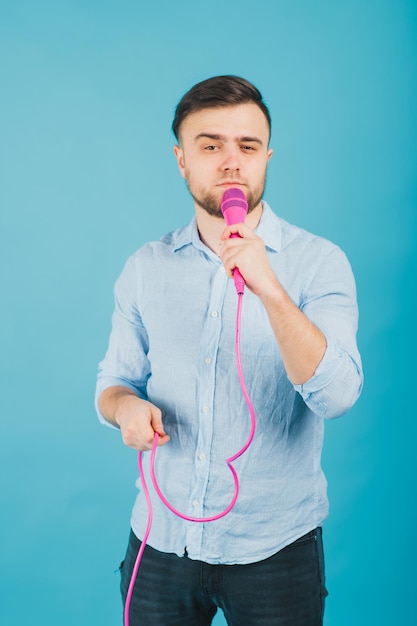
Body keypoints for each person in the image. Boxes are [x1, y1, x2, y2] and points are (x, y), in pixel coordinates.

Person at [95, 75, 363, 626]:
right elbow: (113, 382)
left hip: (275, 549)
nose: (230, 162)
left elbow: (336, 396)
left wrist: (269, 286)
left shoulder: (319, 263)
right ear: (182, 160)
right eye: (210, 145)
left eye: (246, 146)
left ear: (266, 157)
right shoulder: (146, 267)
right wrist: (125, 409)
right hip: (160, 542)